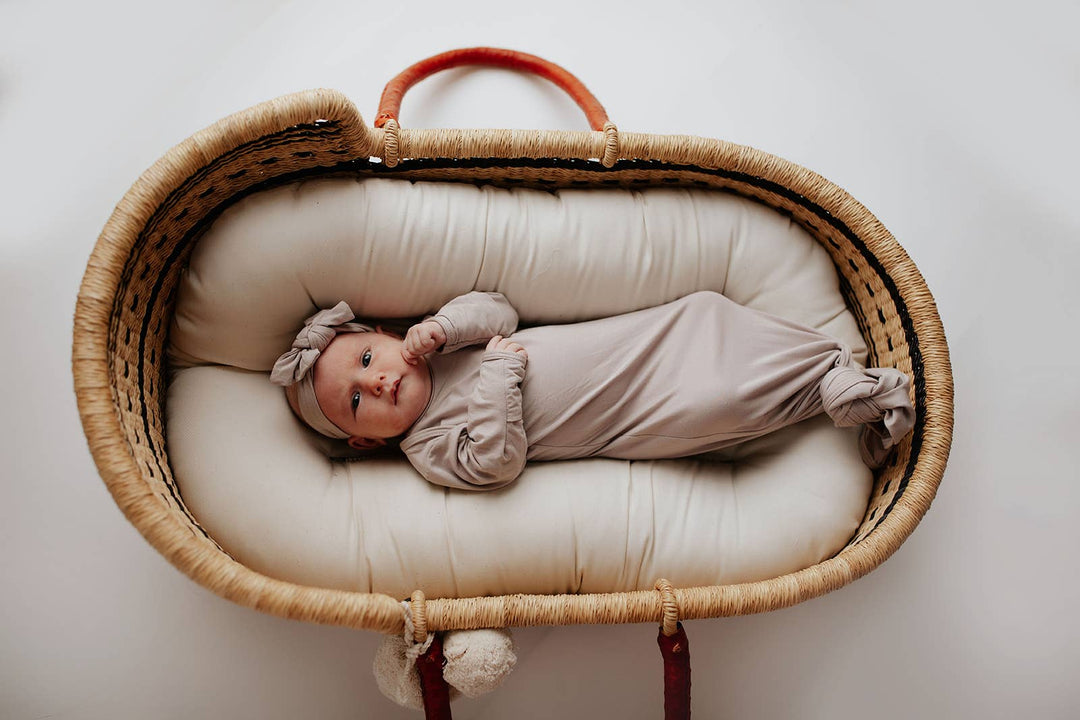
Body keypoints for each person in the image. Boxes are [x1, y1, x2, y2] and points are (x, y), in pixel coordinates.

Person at [271, 291, 915, 491]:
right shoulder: (428, 449)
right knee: (715, 401)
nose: (376, 380)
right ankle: (840, 392)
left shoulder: (443, 342)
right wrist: (498, 377)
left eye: (364, 357)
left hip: (635, 340)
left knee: (704, 311)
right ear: (363, 439)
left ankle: (827, 368)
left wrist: (445, 327)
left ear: (383, 334)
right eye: (356, 399)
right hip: (628, 412)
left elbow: (499, 310)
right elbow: (497, 462)